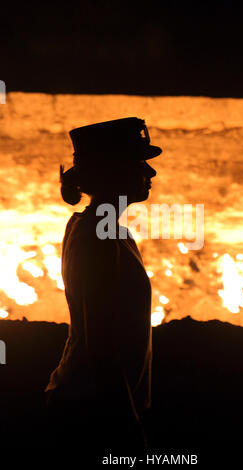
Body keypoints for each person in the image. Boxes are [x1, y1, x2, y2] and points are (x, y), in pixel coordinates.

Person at [44, 117, 162, 455]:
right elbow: (101, 342)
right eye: (140, 162)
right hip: (91, 412)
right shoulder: (97, 236)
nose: (150, 173)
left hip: (97, 405)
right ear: (114, 171)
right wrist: (127, 424)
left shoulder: (111, 232)